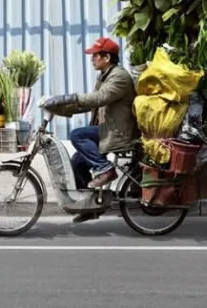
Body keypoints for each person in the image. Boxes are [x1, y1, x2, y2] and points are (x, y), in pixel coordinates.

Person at [43, 37, 137, 223]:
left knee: (77, 135)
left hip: (119, 132)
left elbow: (99, 97)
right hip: (107, 128)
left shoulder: (119, 76)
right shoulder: (104, 75)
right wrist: (58, 108)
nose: (92, 59)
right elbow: (90, 105)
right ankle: (90, 207)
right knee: (77, 162)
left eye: (95, 55)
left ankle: (105, 169)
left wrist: (67, 97)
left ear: (107, 57)